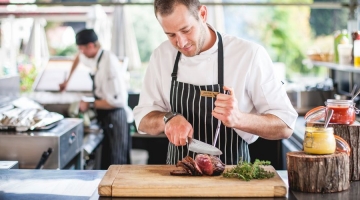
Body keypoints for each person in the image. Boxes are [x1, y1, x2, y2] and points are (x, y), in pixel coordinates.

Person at [133, 0, 298, 165]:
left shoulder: (249, 55)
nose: (181, 42)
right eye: (171, 35)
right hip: (178, 179)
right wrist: (168, 118)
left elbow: (285, 126)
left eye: (186, 30)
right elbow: (143, 119)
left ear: (203, 14)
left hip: (234, 179)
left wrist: (239, 119)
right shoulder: (161, 56)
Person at [59, 29, 132, 169]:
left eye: (82, 49)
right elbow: (78, 58)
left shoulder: (108, 64)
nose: (81, 52)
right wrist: (68, 80)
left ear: (91, 46)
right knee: (107, 163)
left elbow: (117, 101)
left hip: (116, 118)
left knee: (117, 164)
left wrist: (90, 104)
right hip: (106, 117)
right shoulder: (96, 57)